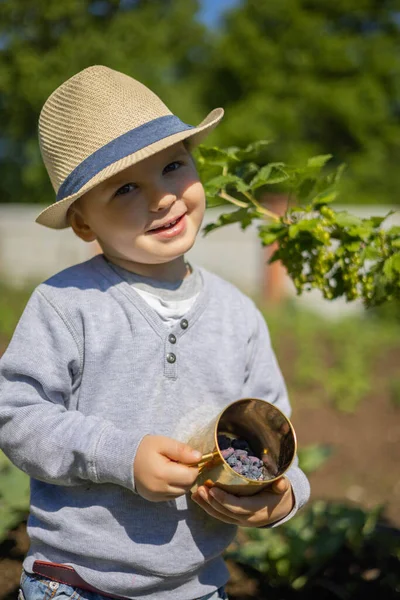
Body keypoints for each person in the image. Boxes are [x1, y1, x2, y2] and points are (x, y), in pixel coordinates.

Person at [0, 66, 310, 600]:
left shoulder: (239, 316)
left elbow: (275, 441)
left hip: (197, 587)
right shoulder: (67, 304)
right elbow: (17, 415)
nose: (163, 198)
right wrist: (120, 455)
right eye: (125, 188)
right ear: (82, 223)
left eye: (172, 166)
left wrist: (281, 499)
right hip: (76, 583)